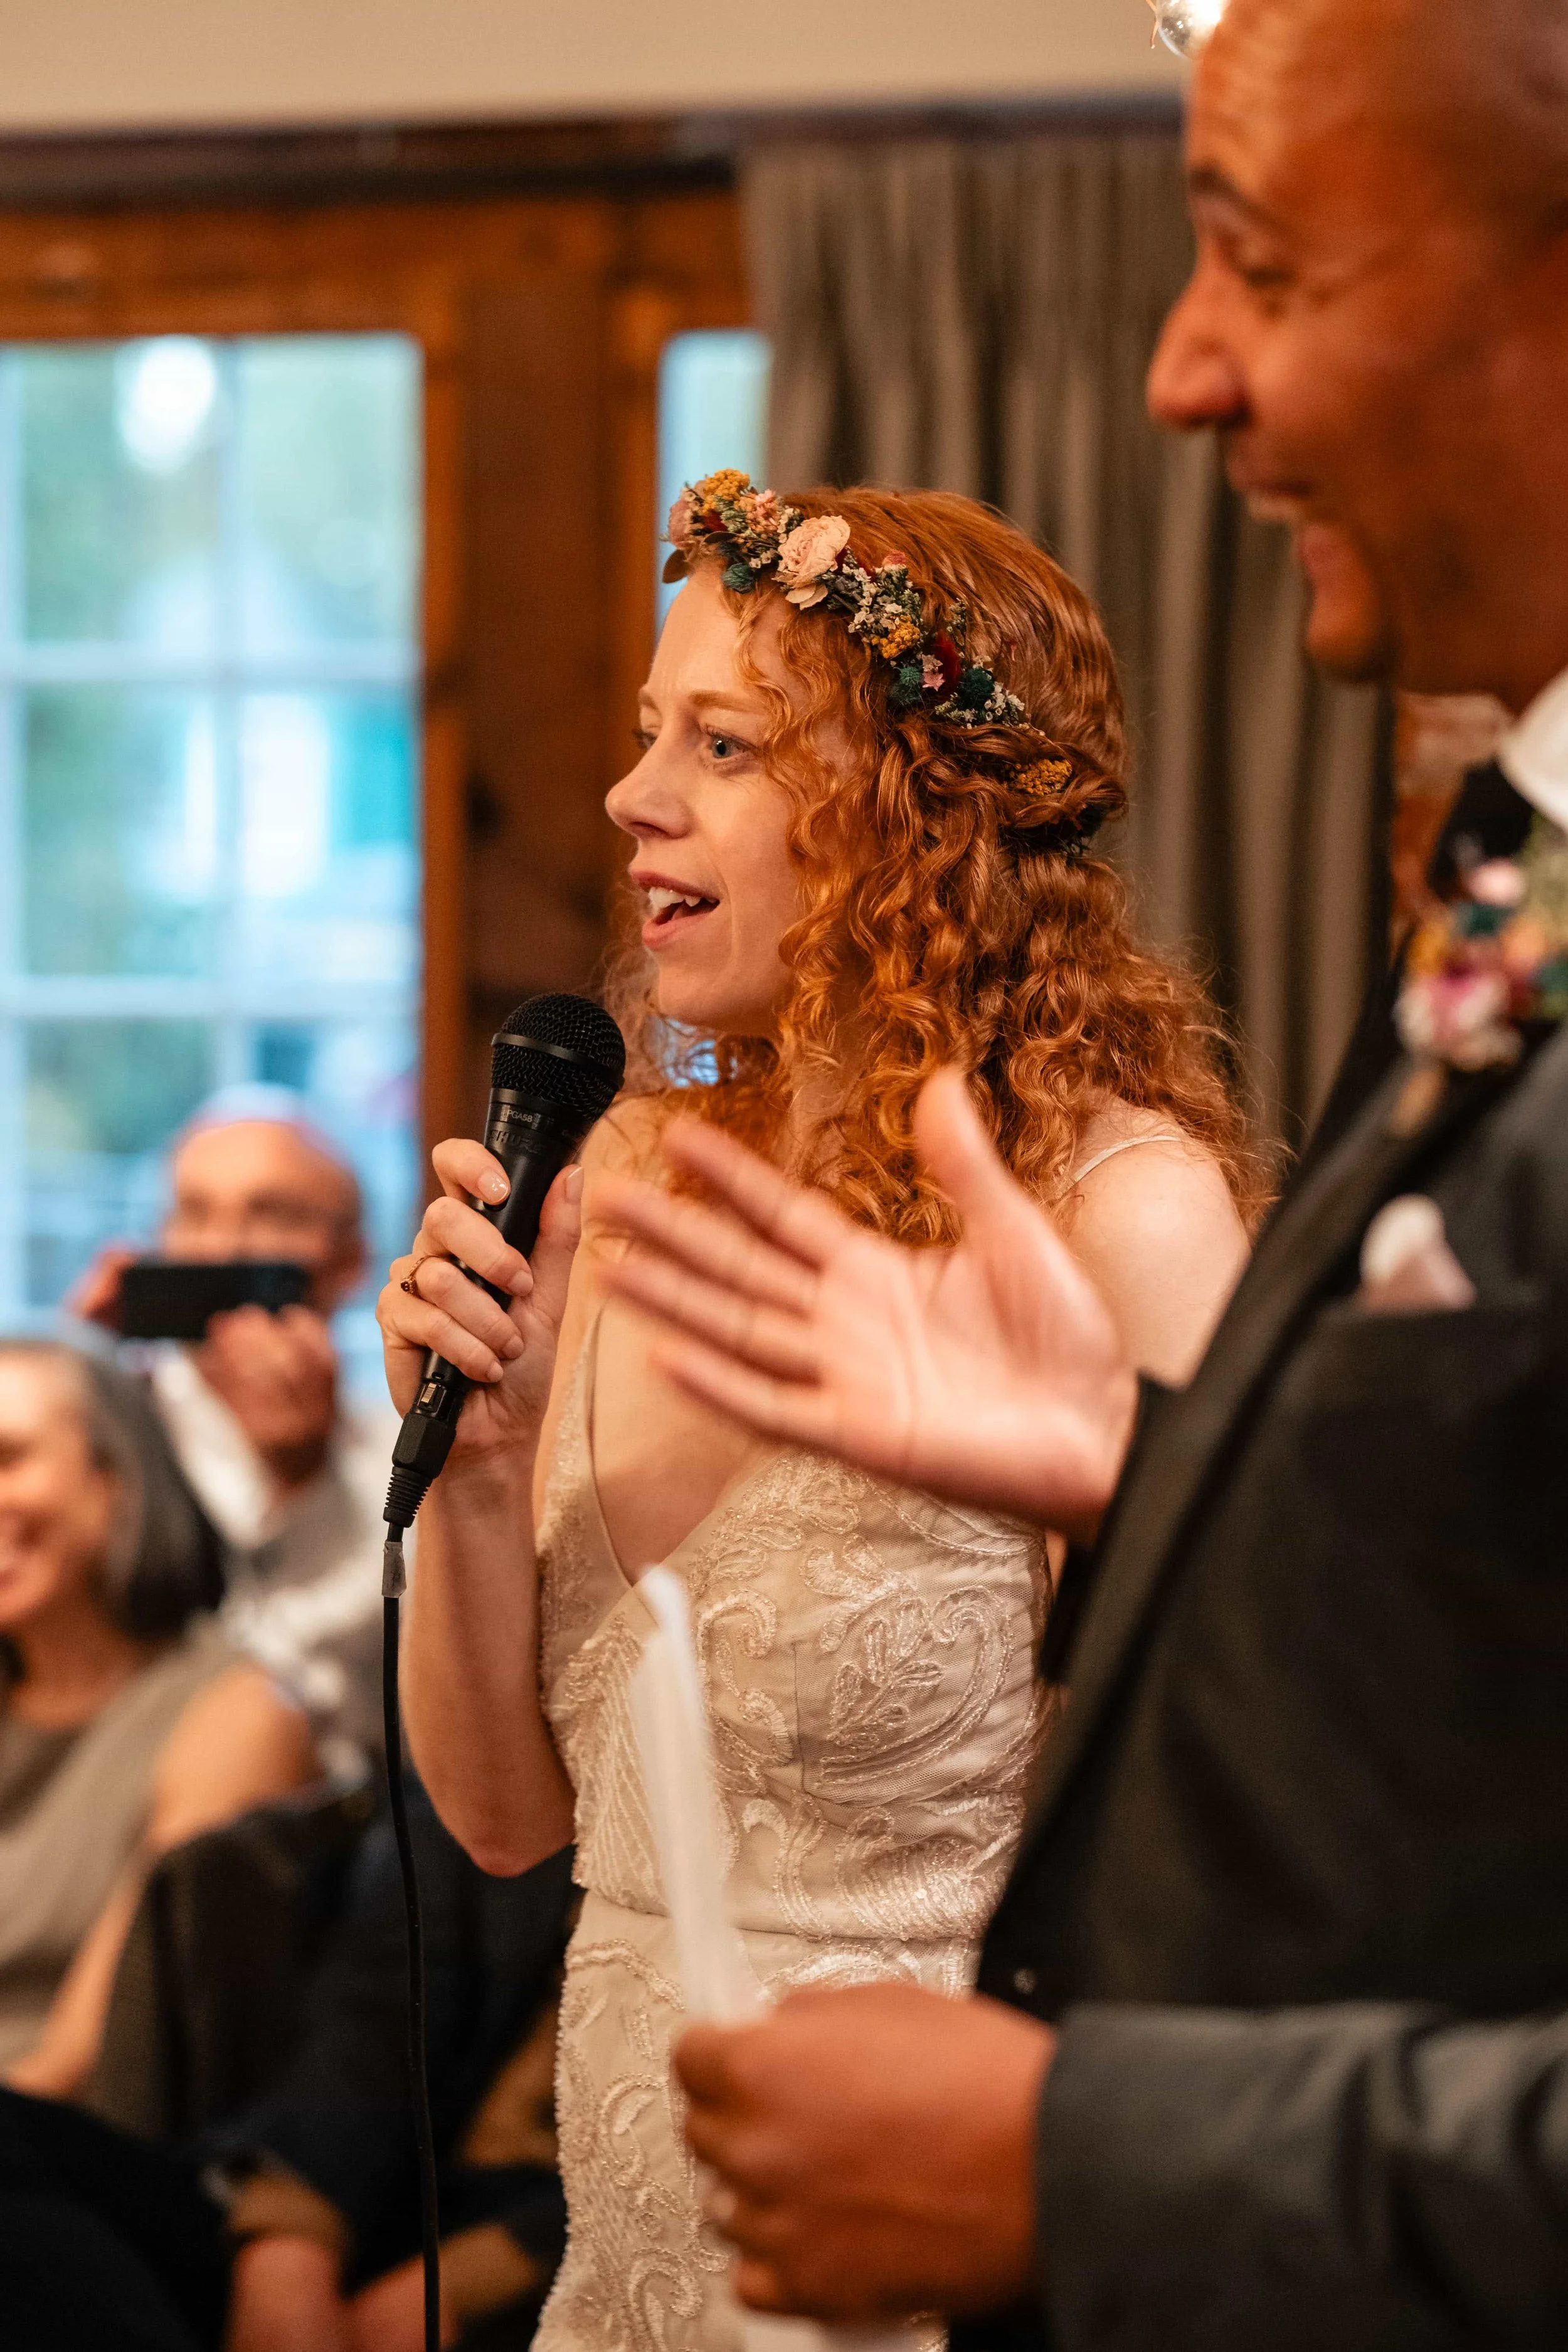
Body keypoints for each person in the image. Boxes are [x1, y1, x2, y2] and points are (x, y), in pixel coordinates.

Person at [591, 1, 1568, 2343]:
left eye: (1262, 261)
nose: (1177, 372)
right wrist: (1143, 1462)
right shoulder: (1506, 887)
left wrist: (1080, 2152)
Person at [379, 480, 1258, 2351]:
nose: (632, 799)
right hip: (623, 2268)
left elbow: (1257, 1794)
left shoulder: (1115, 1205)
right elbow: (509, 1823)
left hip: (946, 2259)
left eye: (722, 746)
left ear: (902, 812)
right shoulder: (613, 1169)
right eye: (641, 734)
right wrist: (477, 1472)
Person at [0, 1786, 576, 2352]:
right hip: (370, 2191)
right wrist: (290, 2242)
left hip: (553, 2256)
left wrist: (471, 2278)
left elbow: (660, 2184)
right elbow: (379, 2004)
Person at [0, 1341, 314, 2098]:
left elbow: (82, 2063)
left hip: (60, 2163)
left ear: (115, 1481)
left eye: (8, 1458)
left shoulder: (235, 1714)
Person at [76, 1090, 396, 1774]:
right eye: (194, 1213)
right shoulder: (107, 1425)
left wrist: (306, 1486)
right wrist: (84, 1387)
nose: (223, 1247)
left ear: (349, 1261)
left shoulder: (405, 1456)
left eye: (271, 1213)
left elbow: (360, 1719)